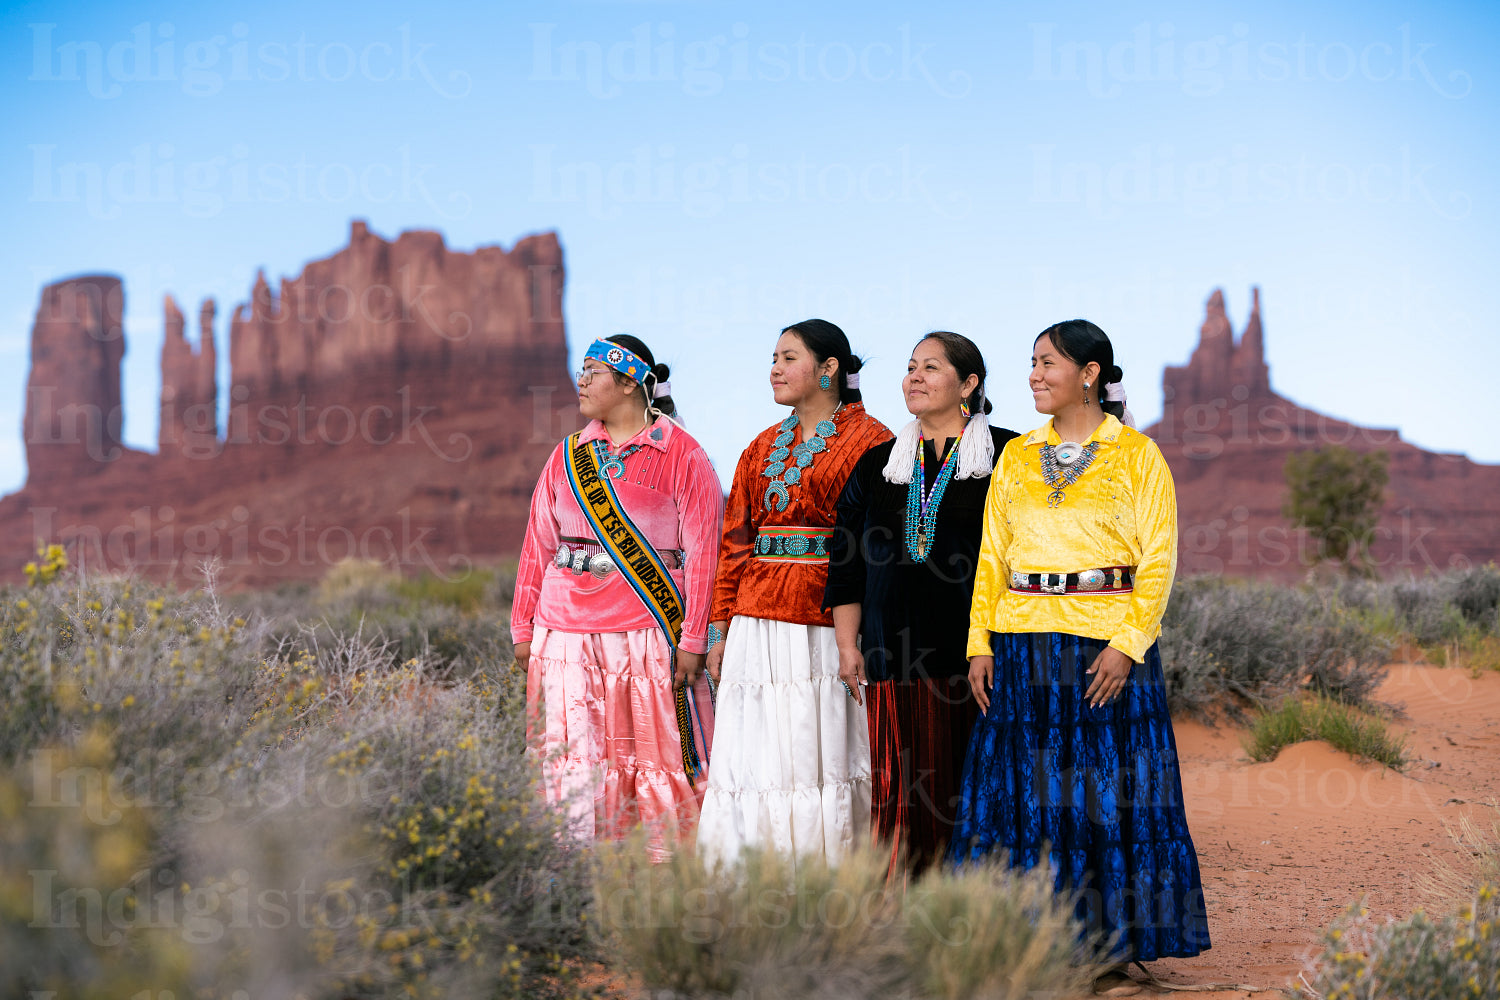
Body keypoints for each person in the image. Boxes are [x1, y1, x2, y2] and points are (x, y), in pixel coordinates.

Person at [951, 320, 1210, 993]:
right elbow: (992, 557)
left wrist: (1128, 646)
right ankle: (1028, 945)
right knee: (1029, 796)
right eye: (1031, 363)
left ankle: (1109, 951)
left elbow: (1159, 558)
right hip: (1022, 647)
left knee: (1102, 798)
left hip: (1104, 653)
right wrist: (980, 641)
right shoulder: (1016, 456)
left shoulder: (1136, 455)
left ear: (1090, 373)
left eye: (1047, 363)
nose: (1034, 374)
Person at [511, 334, 721, 862]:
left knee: (654, 752)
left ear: (630, 383)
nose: (580, 380)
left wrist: (694, 636)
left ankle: (661, 870)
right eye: (580, 370)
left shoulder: (683, 454)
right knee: (572, 755)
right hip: (563, 634)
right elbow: (537, 545)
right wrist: (523, 627)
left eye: (593, 371)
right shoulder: (566, 455)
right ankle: (573, 872)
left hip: (646, 631)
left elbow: (704, 555)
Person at [696, 319, 892, 867]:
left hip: (830, 621)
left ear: (829, 368)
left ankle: (832, 881)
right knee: (758, 757)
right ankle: (754, 884)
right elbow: (735, 541)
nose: (774, 369)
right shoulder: (760, 446)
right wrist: (720, 628)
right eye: (773, 359)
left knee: (821, 751)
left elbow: (878, 548)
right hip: (757, 622)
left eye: (788, 358)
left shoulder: (873, 441)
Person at [824, 331, 1018, 873]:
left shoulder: (1008, 456)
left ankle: (980, 919)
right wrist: (847, 644)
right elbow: (847, 565)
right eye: (911, 367)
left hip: (978, 657)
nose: (914, 377)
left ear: (969, 383)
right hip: (891, 658)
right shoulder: (877, 465)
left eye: (931, 368)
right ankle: (904, 923)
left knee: (975, 789)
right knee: (901, 792)